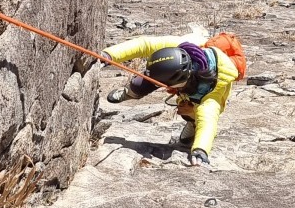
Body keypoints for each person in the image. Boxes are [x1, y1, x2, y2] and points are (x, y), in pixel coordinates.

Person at [102, 31, 245, 168]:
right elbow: (145, 44)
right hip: (185, 76)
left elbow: (208, 122)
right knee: (143, 82)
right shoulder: (180, 47)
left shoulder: (211, 95)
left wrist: (200, 150)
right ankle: (130, 93)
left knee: (188, 108)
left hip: (208, 86)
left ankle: (192, 122)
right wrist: (110, 54)